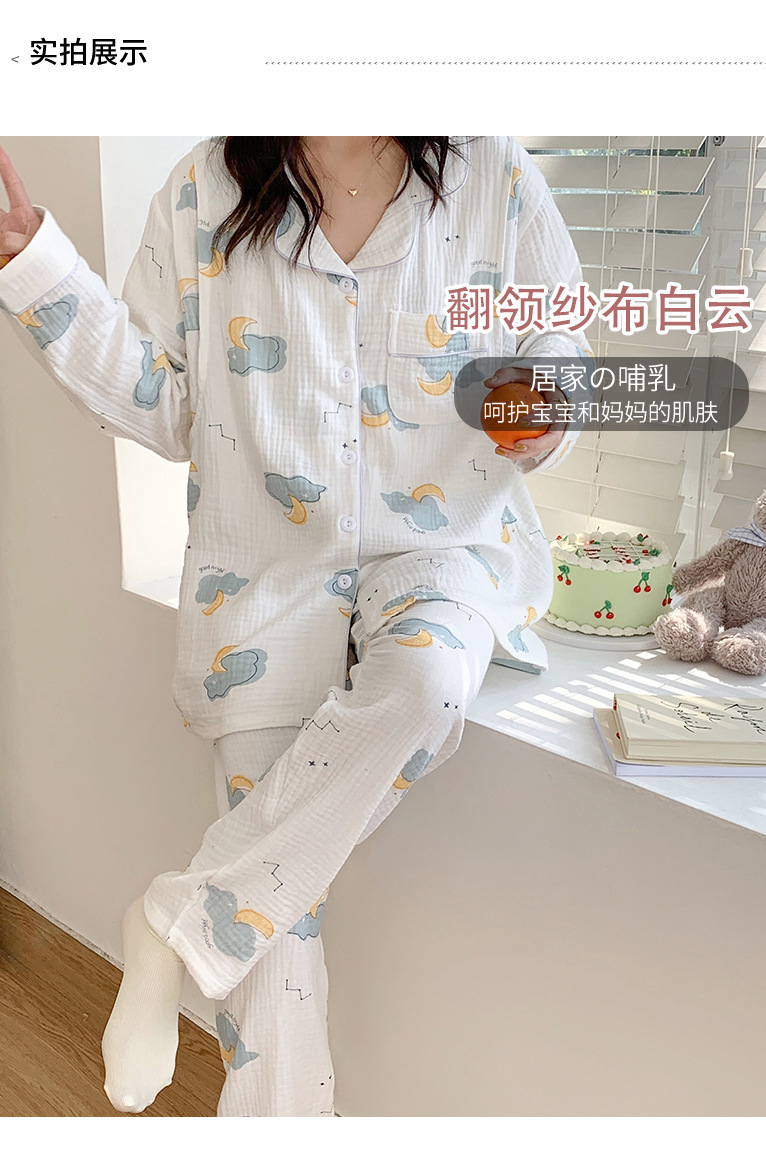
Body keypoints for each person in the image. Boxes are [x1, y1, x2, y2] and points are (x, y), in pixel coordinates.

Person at [0, 136, 589, 1117]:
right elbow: (165, 404)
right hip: (265, 572)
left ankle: (180, 923)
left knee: (426, 683)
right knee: (276, 943)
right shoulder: (205, 188)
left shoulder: (496, 178)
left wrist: (543, 411)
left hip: (441, 551)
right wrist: (35, 271)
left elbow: (561, 353)